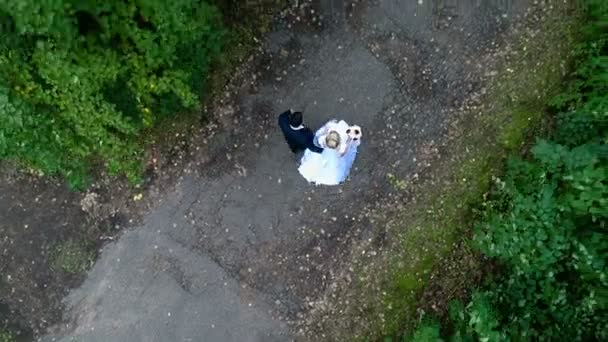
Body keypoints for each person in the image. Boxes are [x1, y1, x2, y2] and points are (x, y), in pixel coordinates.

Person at [298, 119, 362, 185]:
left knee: (315, 162)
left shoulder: (321, 140)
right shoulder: (341, 148)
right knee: (343, 160)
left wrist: (327, 126)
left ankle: (313, 176)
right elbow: (343, 153)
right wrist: (349, 142)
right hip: (334, 161)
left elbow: (317, 137)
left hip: (320, 155)